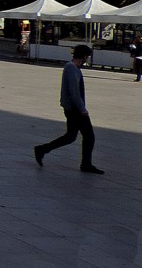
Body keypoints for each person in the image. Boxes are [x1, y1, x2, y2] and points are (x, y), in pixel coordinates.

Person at [34, 44, 103, 174]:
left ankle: (42, 149)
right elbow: (74, 92)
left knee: (70, 136)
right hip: (75, 109)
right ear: (83, 56)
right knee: (89, 136)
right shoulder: (72, 68)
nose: (87, 59)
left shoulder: (72, 67)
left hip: (72, 108)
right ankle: (86, 164)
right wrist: (82, 109)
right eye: (87, 57)